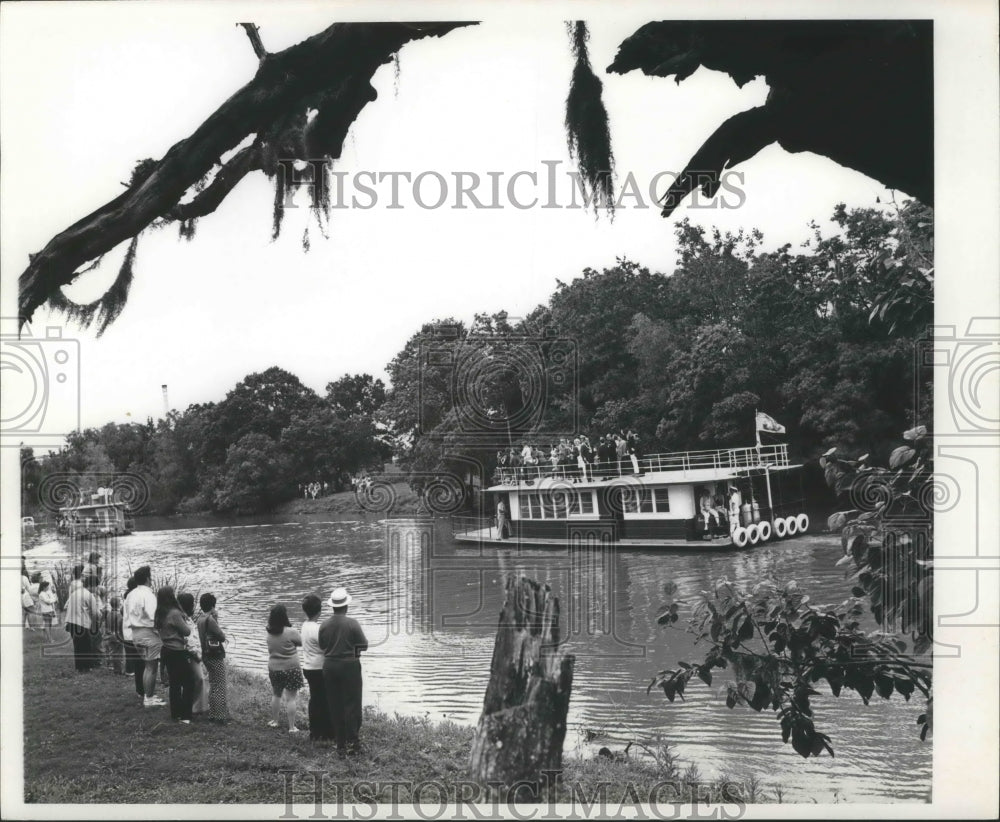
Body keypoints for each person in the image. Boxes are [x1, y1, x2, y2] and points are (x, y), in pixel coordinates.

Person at [318, 587, 368, 756]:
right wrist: (353, 654)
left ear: (333, 607)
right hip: (349, 666)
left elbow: (322, 646)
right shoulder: (352, 623)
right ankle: (353, 742)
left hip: (330, 666)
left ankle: (340, 744)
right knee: (352, 703)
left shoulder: (324, 624)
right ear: (346, 606)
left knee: (335, 703)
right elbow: (364, 645)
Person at [126, 566, 166, 707]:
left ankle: (147, 696)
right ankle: (148, 699)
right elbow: (153, 616)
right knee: (151, 667)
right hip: (148, 634)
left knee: (147, 666)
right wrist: (160, 632)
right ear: (148, 578)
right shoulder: (148, 595)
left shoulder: (131, 594)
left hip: (135, 633)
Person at [156, 586, 195, 724]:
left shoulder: (159, 612)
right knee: (189, 682)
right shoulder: (174, 613)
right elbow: (186, 631)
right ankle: (186, 715)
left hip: (165, 649)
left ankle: (176, 713)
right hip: (177, 650)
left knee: (175, 683)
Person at [300, 594, 334, 741]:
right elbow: (326, 648)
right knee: (325, 699)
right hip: (319, 668)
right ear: (319, 611)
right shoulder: (318, 629)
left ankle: (314, 731)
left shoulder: (304, 625)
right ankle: (326, 732)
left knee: (315, 699)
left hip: (308, 666)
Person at [266, 604, 304, 733]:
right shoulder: (291, 632)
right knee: (291, 698)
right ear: (284, 616)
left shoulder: (269, 633)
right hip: (291, 668)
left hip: (274, 668)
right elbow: (301, 642)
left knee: (276, 694)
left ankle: (275, 721)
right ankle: (292, 727)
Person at [197, 593, 230, 723]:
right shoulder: (210, 620)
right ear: (212, 605)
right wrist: (216, 619)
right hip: (215, 655)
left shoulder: (200, 619)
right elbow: (221, 636)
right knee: (220, 685)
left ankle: (213, 713)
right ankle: (221, 717)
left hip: (206, 655)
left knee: (213, 684)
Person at [178, 592, 209, 716]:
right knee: (199, 678)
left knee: (200, 678)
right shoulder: (183, 619)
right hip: (192, 655)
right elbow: (188, 640)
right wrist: (197, 655)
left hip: (194, 652)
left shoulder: (187, 618)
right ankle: (196, 707)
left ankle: (200, 706)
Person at [64, 575, 101, 671]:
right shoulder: (89, 595)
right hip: (81, 622)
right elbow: (95, 612)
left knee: (77, 645)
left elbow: (65, 606)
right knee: (85, 645)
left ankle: (79, 667)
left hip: (71, 622)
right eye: (96, 586)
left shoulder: (75, 592)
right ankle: (86, 667)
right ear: (92, 585)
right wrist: (99, 617)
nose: (96, 588)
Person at [121, 577, 146, 700]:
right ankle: (143, 691)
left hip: (128, 634)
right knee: (142, 664)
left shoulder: (128, 597)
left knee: (139, 664)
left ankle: (140, 690)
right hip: (134, 635)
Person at [106, 596, 126, 674]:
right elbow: (120, 626)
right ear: (119, 604)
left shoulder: (108, 614)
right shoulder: (119, 615)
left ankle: (114, 668)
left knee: (113, 652)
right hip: (118, 636)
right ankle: (118, 670)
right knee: (119, 654)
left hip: (110, 635)